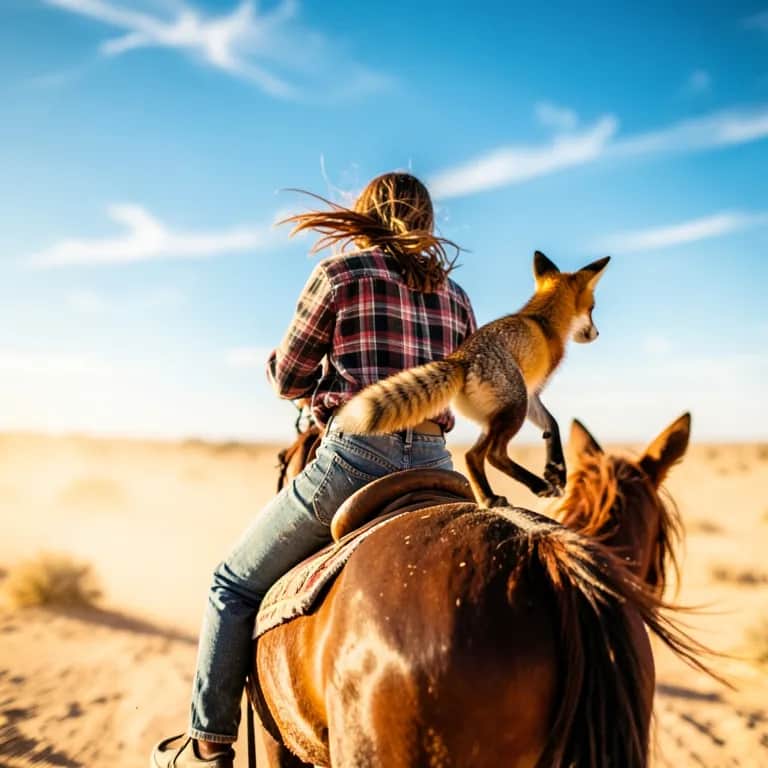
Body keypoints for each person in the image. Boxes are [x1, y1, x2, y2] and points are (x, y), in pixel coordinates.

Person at [151, 172, 477, 767]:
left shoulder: (339, 275)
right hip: (436, 462)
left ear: (365, 216)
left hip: (357, 459)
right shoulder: (456, 298)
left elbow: (288, 379)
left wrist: (304, 374)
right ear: (428, 226)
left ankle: (207, 747)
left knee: (231, 582)